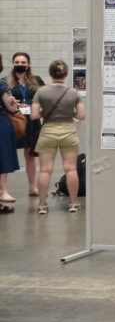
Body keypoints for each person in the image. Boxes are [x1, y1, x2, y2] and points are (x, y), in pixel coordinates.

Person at [31, 59, 84, 214]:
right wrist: (70, 113)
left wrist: (45, 112)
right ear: (66, 74)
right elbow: (81, 115)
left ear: (50, 73)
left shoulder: (41, 92)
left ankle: (42, 205)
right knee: (70, 169)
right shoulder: (73, 92)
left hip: (48, 131)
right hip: (69, 131)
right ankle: (73, 203)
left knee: (45, 170)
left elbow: (34, 115)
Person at [7, 52, 46, 196]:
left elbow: (45, 98)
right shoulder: (5, 82)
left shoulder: (37, 80)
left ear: (28, 64)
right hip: (13, 121)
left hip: (32, 122)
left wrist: (37, 107)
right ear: (12, 63)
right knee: (5, 155)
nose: (20, 65)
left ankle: (32, 187)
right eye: (17, 62)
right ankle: (3, 189)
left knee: (30, 156)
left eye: (23, 62)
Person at [0, 54, 21, 206]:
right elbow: (11, 107)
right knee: (3, 156)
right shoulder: (1, 84)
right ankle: (3, 191)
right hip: (1, 123)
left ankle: (3, 190)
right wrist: (13, 103)